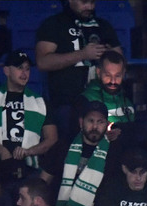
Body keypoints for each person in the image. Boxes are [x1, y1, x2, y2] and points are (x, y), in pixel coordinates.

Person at [35, 0, 122, 137]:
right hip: (67, 102)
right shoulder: (54, 24)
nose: (89, 6)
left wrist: (107, 53)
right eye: (84, 2)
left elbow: (120, 60)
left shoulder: (103, 26)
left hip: (102, 100)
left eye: (93, 2)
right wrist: (82, 54)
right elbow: (43, 62)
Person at [0, 49, 58, 185]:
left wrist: (30, 151)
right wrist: (1, 150)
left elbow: (52, 138)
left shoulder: (40, 101)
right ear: (6, 71)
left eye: (27, 69)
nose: (24, 73)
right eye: (19, 68)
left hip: (29, 168)